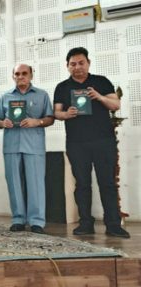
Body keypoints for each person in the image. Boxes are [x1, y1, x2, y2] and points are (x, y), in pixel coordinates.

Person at [53, 47, 130, 238]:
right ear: (67, 66)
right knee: (82, 184)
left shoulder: (101, 81)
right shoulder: (62, 87)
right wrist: (66, 114)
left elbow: (115, 104)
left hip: (104, 141)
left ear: (88, 63)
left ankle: (113, 224)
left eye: (81, 63)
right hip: (77, 143)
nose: (77, 67)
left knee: (108, 183)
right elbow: (56, 113)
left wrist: (99, 96)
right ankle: (85, 223)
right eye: (73, 64)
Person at [0, 64, 54, 234]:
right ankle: (18, 219)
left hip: (34, 145)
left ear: (31, 74)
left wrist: (37, 122)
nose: (21, 77)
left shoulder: (42, 95)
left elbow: (50, 118)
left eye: (24, 73)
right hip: (11, 145)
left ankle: (37, 221)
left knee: (36, 184)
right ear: (13, 76)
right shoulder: (5, 96)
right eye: (17, 74)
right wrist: (2, 123)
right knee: (14, 183)